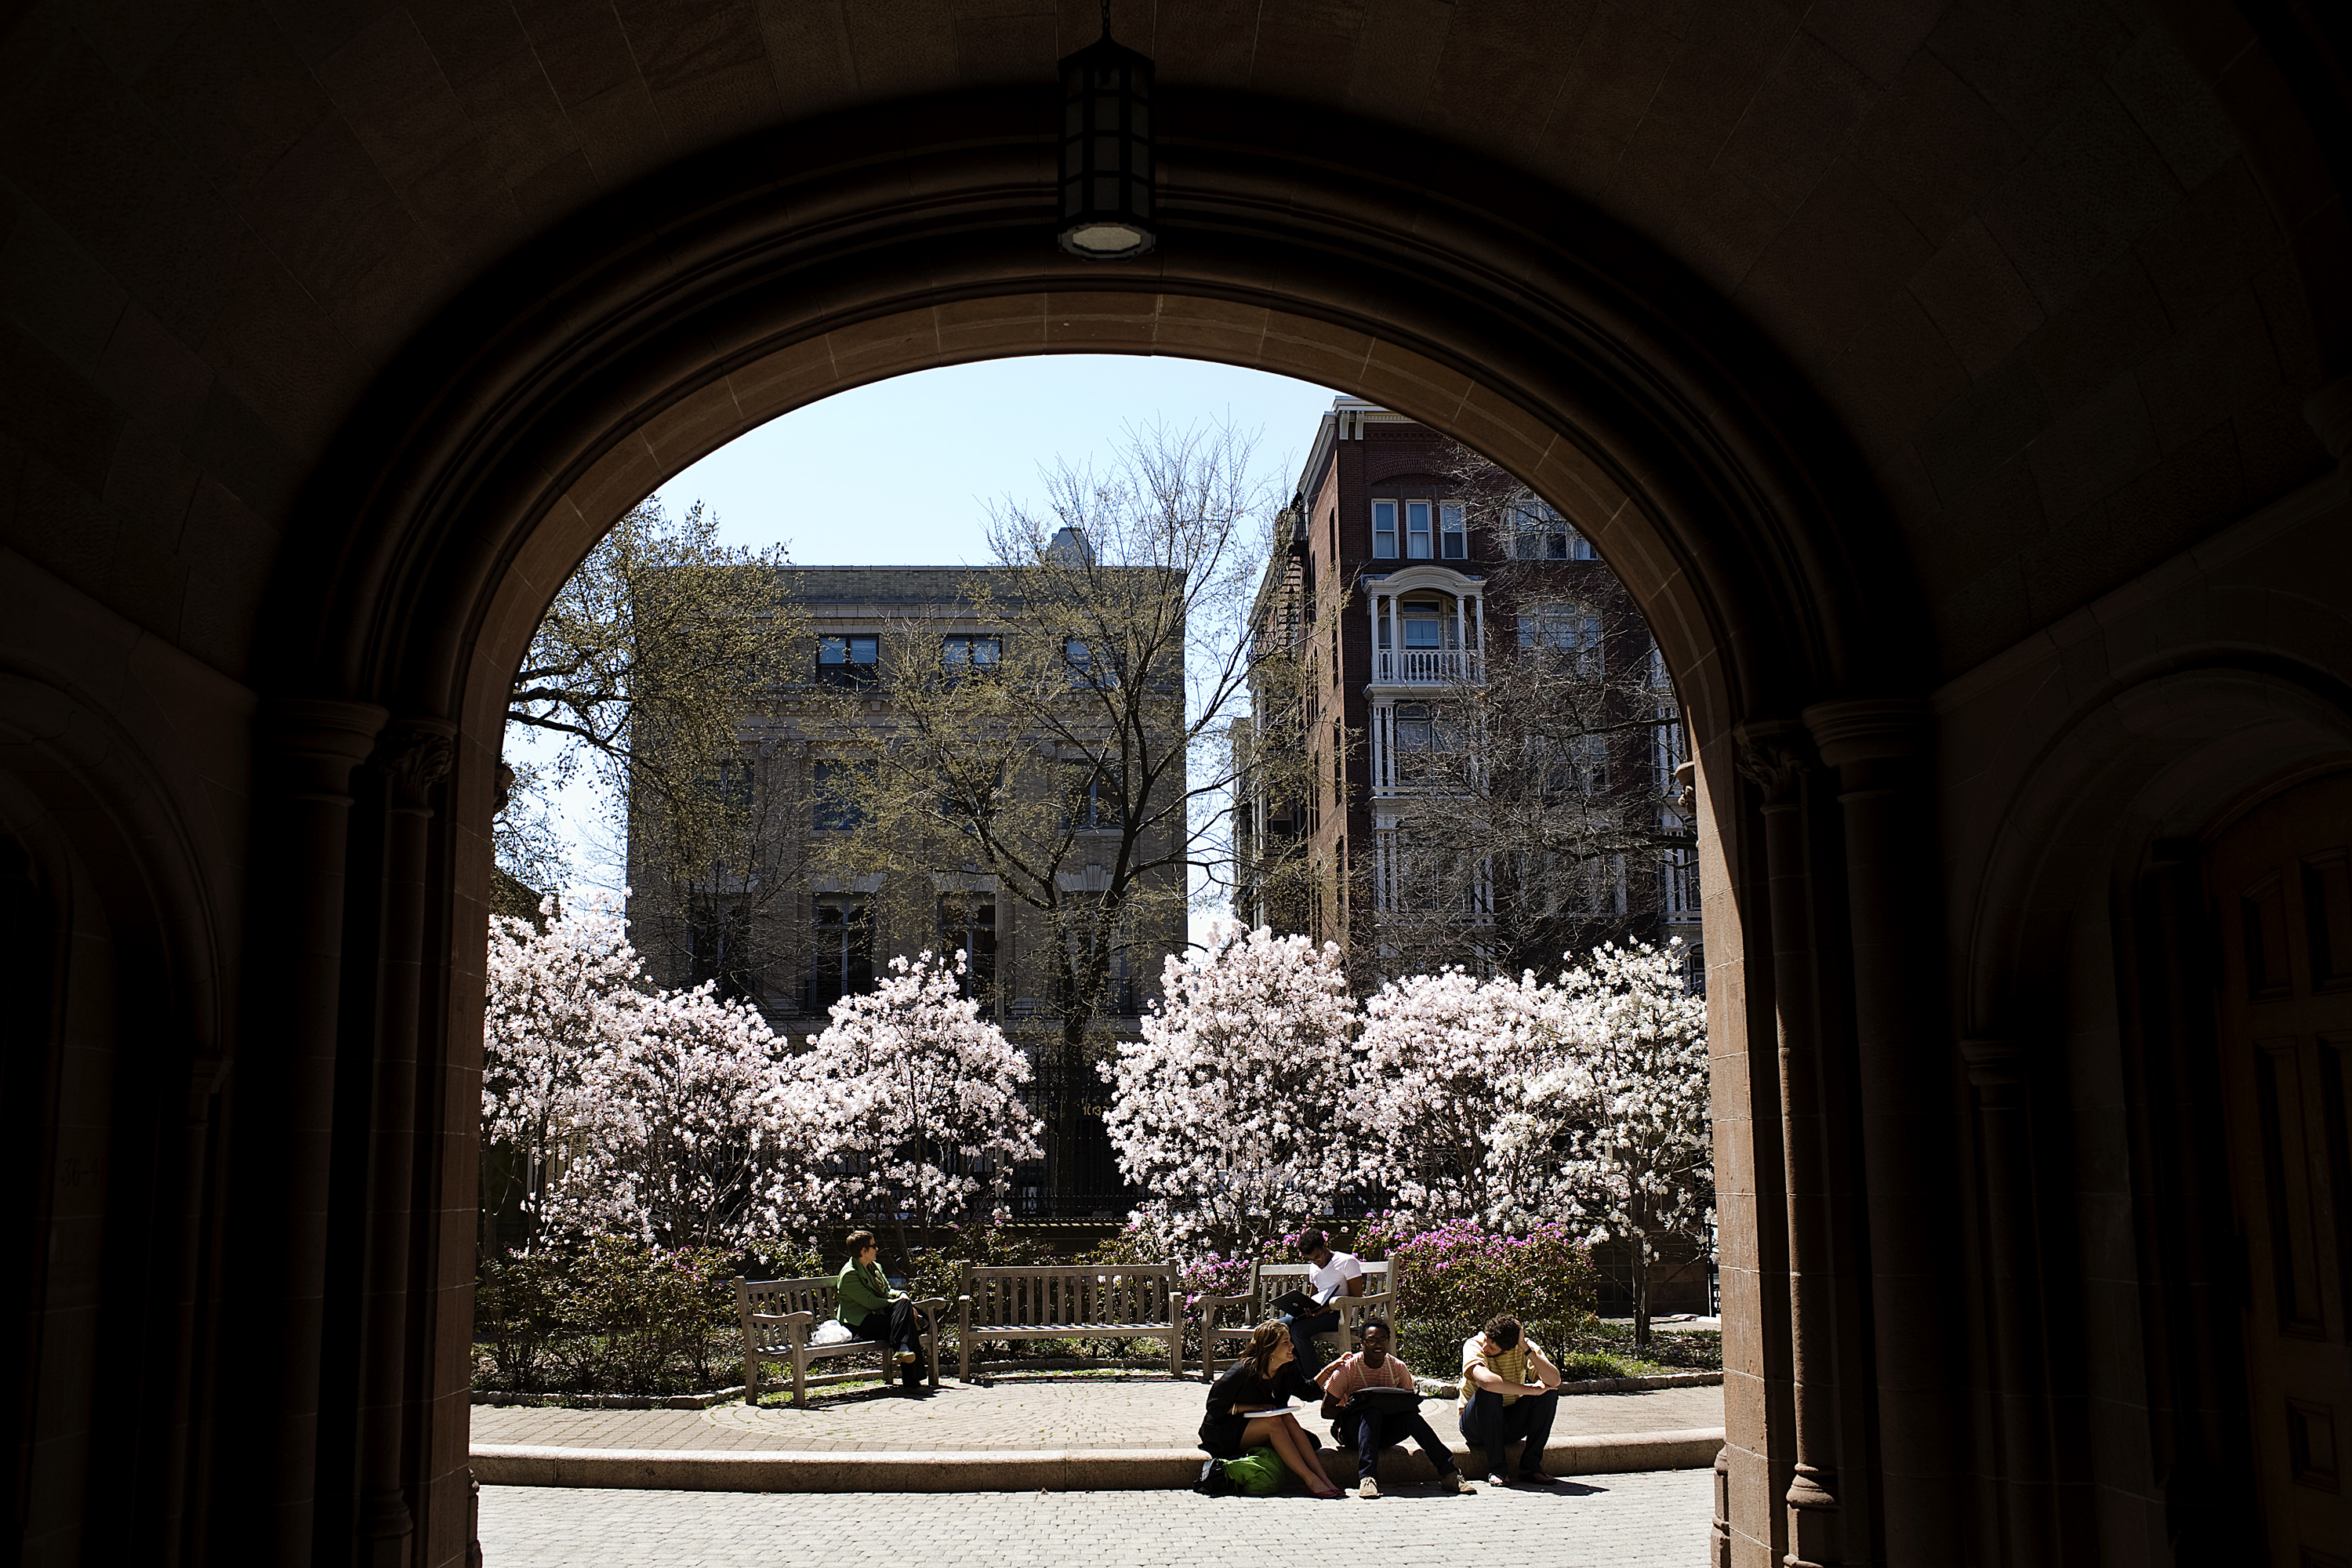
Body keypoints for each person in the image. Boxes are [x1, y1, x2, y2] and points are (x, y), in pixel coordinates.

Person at [1315, 1318, 1477, 1499]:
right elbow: (1326, 1411)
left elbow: (1410, 1405)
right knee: (1371, 1412)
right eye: (1372, 1340)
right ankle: (1367, 1477)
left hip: (1384, 1432)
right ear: (1362, 1343)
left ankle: (1450, 1473)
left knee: (1411, 1418)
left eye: (1383, 1340)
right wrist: (1355, 1410)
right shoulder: (1348, 1369)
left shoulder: (1398, 1368)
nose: (1378, 1345)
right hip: (1352, 1432)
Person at [1201, 1320, 1345, 1499]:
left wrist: (1330, 1369)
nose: (1292, 1346)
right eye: (1286, 1342)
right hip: (1225, 1431)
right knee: (1275, 1422)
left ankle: (1324, 1479)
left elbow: (1308, 1391)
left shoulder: (1288, 1368)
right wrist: (1250, 1408)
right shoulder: (1242, 1371)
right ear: (1270, 1349)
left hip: (1261, 1426)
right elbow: (1214, 1407)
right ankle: (1311, 1481)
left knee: (1288, 1418)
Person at [1458, 1314, 1561, 1486]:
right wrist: (1530, 1390)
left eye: (1491, 1345)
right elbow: (1486, 1381)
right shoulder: (1474, 1345)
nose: (1485, 1347)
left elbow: (1555, 1381)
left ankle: (1531, 1467)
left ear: (1507, 1349)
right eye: (1486, 1340)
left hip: (1509, 1422)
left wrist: (1527, 1350)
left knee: (1549, 1394)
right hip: (1476, 1425)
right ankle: (1497, 1468)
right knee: (1489, 1391)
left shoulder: (1522, 1348)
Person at [835, 1230, 927, 1392]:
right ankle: (912, 1380)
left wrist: (902, 1295)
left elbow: (888, 1291)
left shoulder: (874, 1267)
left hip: (878, 1317)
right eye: (873, 1246)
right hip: (860, 1324)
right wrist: (902, 1304)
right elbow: (871, 1303)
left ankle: (903, 1349)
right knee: (906, 1323)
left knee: (903, 1316)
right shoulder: (849, 1274)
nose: (877, 1249)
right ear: (863, 1251)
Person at [1282, 1230, 1366, 1369]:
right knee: (1280, 1327)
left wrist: (1327, 1309)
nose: (1316, 1262)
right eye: (1311, 1260)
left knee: (1298, 1331)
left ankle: (1313, 1379)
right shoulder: (1314, 1268)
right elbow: (1313, 1297)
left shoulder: (1346, 1262)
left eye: (1318, 1257)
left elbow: (1357, 1298)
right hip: (1318, 1314)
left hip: (1339, 1316)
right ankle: (1296, 1374)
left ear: (1325, 1245)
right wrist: (1306, 1309)